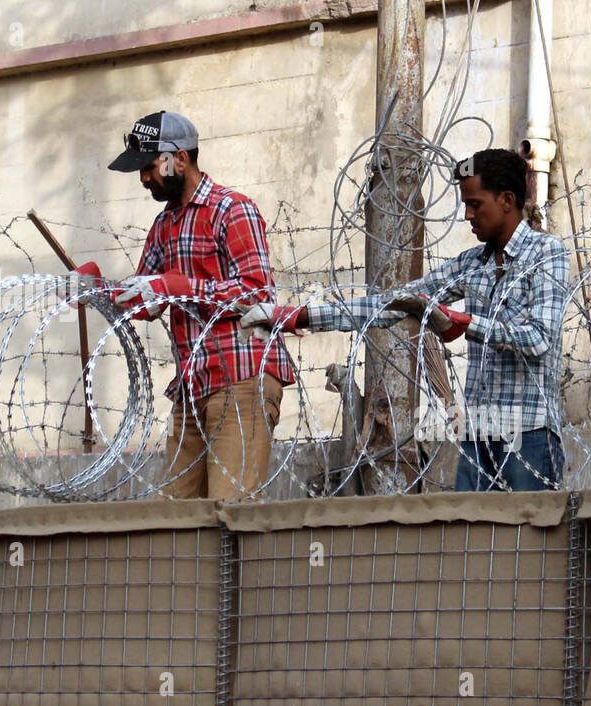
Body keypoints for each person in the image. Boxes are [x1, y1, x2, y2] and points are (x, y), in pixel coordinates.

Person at [238, 148, 570, 492]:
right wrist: (295, 317)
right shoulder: (472, 264)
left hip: (530, 432)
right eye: (465, 205)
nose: (468, 215)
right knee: (473, 541)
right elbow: (392, 303)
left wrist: (464, 322)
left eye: (475, 204)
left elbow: (538, 338)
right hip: (481, 434)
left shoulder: (547, 253)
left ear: (506, 200)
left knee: (530, 541)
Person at [103, 110, 292, 500]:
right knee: (176, 522)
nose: (143, 178)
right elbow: (146, 298)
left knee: (228, 514)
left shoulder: (231, 209)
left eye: (150, 167)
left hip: (241, 379)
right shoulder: (163, 226)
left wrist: (183, 287)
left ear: (180, 160)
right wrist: (98, 292)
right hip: (192, 387)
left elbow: (257, 294)